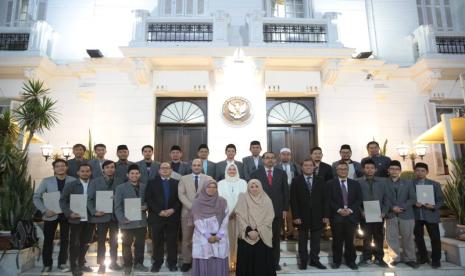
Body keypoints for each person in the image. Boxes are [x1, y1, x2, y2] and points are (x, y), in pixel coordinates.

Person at [33, 159, 76, 273]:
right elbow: (36, 196)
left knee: (65, 240)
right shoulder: (47, 181)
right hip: (51, 214)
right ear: (54, 168)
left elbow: (78, 197)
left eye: (63, 166)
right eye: (57, 166)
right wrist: (44, 210)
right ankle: (47, 264)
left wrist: (74, 210)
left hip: (67, 215)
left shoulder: (73, 180)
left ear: (66, 167)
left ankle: (62, 263)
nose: (60, 168)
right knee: (48, 240)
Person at [250, 151, 288, 271]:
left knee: (275, 239)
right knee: (261, 238)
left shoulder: (281, 173)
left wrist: (285, 209)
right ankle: (262, 262)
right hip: (261, 212)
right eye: (267, 158)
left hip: (277, 211)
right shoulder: (255, 173)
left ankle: (274, 263)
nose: (270, 160)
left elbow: (285, 192)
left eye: (272, 158)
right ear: (263, 160)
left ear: (276, 160)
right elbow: (252, 193)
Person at [290, 158, 328, 270]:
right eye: (305, 165)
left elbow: (325, 199)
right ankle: (303, 261)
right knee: (302, 242)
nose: (308, 167)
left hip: (318, 215)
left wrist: (326, 215)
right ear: (302, 168)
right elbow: (293, 200)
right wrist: (296, 216)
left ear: (314, 167)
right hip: (301, 217)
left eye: (310, 165)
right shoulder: (296, 181)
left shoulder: (321, 180)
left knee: (316, 241)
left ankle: (315, 260)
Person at [88, 160, 124, 273]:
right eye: (107, 167)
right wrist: (94, 212)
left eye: (112, 167)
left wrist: (117, 198)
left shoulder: (120, 181)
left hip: (115, 216)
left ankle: (113, 263)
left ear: (115, 169)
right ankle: (101, 265)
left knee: (114, 241)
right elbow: (89, 199)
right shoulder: (95, 182)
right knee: (101, 241)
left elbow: (124, 198)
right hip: (101, 216)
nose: (110, 169)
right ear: (103, 169)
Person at [178, 159, 213, 272]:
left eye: (199, 165)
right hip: (187, 213)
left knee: (203, 238)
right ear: (191, 166)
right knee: (186, 239)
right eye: (194, 165)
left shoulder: (208, 178)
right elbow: (181, 194)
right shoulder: (184, 179)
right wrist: (193, 207)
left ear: (202, 166)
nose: (196, 167)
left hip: (204, 214)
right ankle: (186, 261)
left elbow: (212, 194)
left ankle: (202, 260)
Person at [60, 163, 95, 276]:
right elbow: (62, 201)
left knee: (86, 242)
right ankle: (73, 266)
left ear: (90, 172)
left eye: (87, 171)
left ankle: (81, 264)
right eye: (83, 171)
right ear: (78, 173)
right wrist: (69, 213)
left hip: (90, 219)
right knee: (74, 243)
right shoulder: (71, 185)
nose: (85, 173)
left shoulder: (94, 184)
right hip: (76, 218)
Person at [235, 179, 276, 276]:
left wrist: (258, 231)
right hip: (246, 236)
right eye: (251, 187)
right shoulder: (243, 198)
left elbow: (270, 217)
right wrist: (249, 230)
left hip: (262, 236)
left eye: (256, 186)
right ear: (248, 188)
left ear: (260, 187)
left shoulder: (267, 199)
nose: (254, 189)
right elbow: (239, 215)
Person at [146, 162, 181, 272]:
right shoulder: (152, 183)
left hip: (172, 217)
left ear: (171, 170)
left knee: (172, 241)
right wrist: (159, 211)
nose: (165, 170)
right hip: (157, 217)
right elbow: (149, 199)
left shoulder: (177, 183)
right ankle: (157, 263)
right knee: (157, 241)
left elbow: (180, 199)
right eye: (163, 168)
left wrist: (173, 210)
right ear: (159, 170)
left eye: (167, 168)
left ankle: (172, 263)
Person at [114, 164, 149, 275]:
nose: (134, 175)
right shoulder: (120, 188)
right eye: (132, 173)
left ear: (140, 175)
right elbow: (117, 206)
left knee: (140, 244)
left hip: (141, 221)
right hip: (126, 222)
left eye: (136, 173)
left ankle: (139, 263)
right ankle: (128, 265)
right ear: (127, 175)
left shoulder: (144, 186)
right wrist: (122, 218)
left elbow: (149, 200)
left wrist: (146, 206)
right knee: (126, 245)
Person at [327, 162, 362, 270]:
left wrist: (350, 210)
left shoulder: (355, 184)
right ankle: (336, 261)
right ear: (337, 171)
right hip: (337, 216)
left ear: (348, 171)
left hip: (351, 216)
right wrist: (339, 210)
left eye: (345, 169)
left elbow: (359, 199)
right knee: (337, 240)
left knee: (350, 241)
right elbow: (329, 199)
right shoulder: (330, 183)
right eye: (340, 169)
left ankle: (351, 261)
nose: (343, 171)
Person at [191, 180, 229, 276]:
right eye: (209, 187)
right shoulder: (197, 202)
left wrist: (218, 235)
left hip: (219, 237)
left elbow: (225, 219)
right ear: (204, 188)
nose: (212, 189)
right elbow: (197, 220)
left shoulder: (222, 201)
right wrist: (208, 236)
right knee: (205, 257)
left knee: (218, 257)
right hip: (203, 237)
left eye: (214, 187)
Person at [384, 160, 418, 268]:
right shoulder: (383, 183)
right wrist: (392, 207)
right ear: (388, 170)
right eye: (392, 169)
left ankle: (410, 258)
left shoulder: (408, 182)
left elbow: (413, 198)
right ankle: (395, 258)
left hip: (407, 214)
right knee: (391, 237)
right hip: (391, 213)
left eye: (397, 169)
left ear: (400, 171)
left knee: (408, 237)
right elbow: (383, 198)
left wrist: (402, 207)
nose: (394, 171)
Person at [356, 159, 389, 267]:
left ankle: (380, 258)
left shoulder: (383, 181)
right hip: (365, 214)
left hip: (379, 214)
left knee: (379, 236)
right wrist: (361, 212)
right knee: (366, 236)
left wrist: (384, 211)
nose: (369, 170)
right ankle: (367, 258)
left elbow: (387, 198)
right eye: (367, 168)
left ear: (375, 169)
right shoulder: (357, 182)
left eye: (372, 168)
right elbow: (355, 199)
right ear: (363, 169)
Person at [413, 162, 444, 268]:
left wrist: (433, 206)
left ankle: (436, 260)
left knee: (435, 238)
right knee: (418, 238)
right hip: (416, 215)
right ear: (414, 171)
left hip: (431, 214)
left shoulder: (435, 184)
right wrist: (414, 202)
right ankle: (423, 257)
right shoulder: (410, 184)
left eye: (422, 171)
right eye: (417, 170)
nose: (420, 173)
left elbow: (440, 200)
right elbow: (408, 198)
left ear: (427, 172)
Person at [217, 163, 247, 270]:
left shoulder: (243, 183)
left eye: (234, 169)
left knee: (239, 240)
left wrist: (236, 212)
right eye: (230, 169)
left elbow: (245, 199)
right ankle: (228, 263)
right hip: (225, 217)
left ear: (237, 170)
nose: (232, 170)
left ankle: (239, 263)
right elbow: (219, 200)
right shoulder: (220, 183)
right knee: (226, 240)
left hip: (240, 216)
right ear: (226, 170)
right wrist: (227, 213)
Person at [276, 147, 300, 239]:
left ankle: (292, 231)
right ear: (280, 155)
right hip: (280, 194)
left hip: (292, 194)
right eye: (283, 154)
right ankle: (281, 231)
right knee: (281, 213)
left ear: (290, 156)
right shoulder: (276, 167)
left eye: (288, 154)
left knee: (292, 213)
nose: (286, 156)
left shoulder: (295, 166)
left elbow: (298, 179)